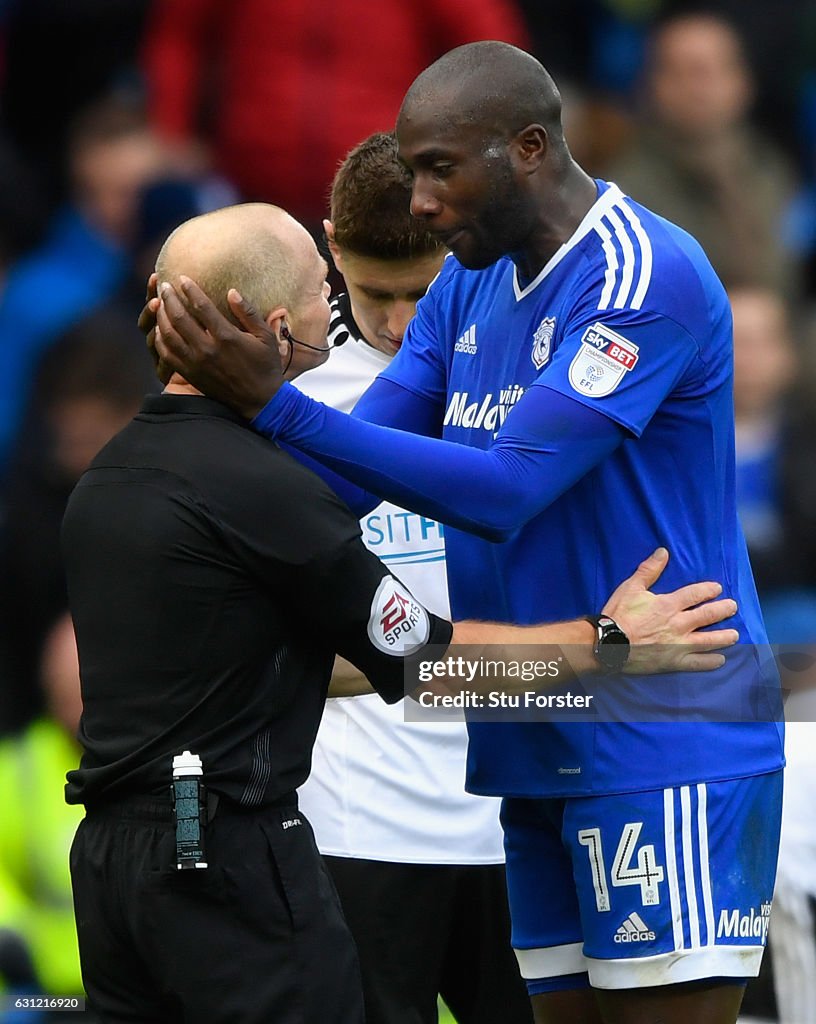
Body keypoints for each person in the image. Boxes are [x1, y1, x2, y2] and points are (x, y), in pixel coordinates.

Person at [150, 41, 784, 1024]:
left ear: (527, 149)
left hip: (663, 726)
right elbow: (346, 470)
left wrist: (273, 406)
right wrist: (188, 434)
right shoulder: (465, 284)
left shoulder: (640, 273)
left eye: (443, 169)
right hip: (532, 733)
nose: (426, 204)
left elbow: (507, 486)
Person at [70, 201, 735, 1024]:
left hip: (109, 867)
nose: (344, 314)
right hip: (227, 862)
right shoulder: (267, 490)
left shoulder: (108, 476)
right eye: (327, 290)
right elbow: (430, 667)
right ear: (277, 326)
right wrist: (611, 644)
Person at [295, 132, 532, 1024]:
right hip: (355, 833)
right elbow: (269, 646)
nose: (399, 325)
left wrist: (379, 660)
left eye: (424, 295)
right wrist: (518, 660)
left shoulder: (534, 392)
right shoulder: (296, 403)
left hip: (518, 820)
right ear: (329, 248)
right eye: (373, 295)